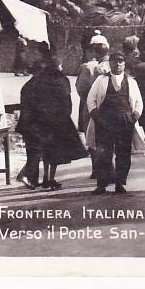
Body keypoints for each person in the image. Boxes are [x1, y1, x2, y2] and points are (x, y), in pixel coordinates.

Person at [86, 52, 143, 195]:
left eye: (121, 62)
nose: (118, 64)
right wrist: (96, 116)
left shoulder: (131, 82)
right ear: (110, 63)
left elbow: (138, 102)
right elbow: (91, 99)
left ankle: (120, 183)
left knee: (123, 154)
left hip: (125, 123)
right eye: (115, 61)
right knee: (103, 154)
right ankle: (101, 185)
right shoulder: (101, 80)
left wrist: (134, 116)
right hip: (104, 123)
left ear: (124, 64)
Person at [32, 54, 88, 189]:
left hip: (42, 120)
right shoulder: (63, 80)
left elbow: (36, 99)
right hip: (58, 120)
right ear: (58, 66)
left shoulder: (40, 80)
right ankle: (51, 178)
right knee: (55, 151)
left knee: (45, 150)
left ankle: (44, 177)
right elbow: (66, 100)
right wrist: (65, 116)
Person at [75, 30, 110, 178]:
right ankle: (108, 168)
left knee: (92, 137)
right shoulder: (114, 65)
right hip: (109, 107)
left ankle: (97, 168)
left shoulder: (87, 67)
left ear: (92, 50)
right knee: (107, 138)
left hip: (91, 107)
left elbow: (80, 88)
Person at [15, 59, 47, 188]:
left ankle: (33, 180)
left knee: (32, 151)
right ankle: (25, 174)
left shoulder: (27, 85)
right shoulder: (39, 87)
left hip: (26, 124)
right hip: (36, 124)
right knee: (37, 151)